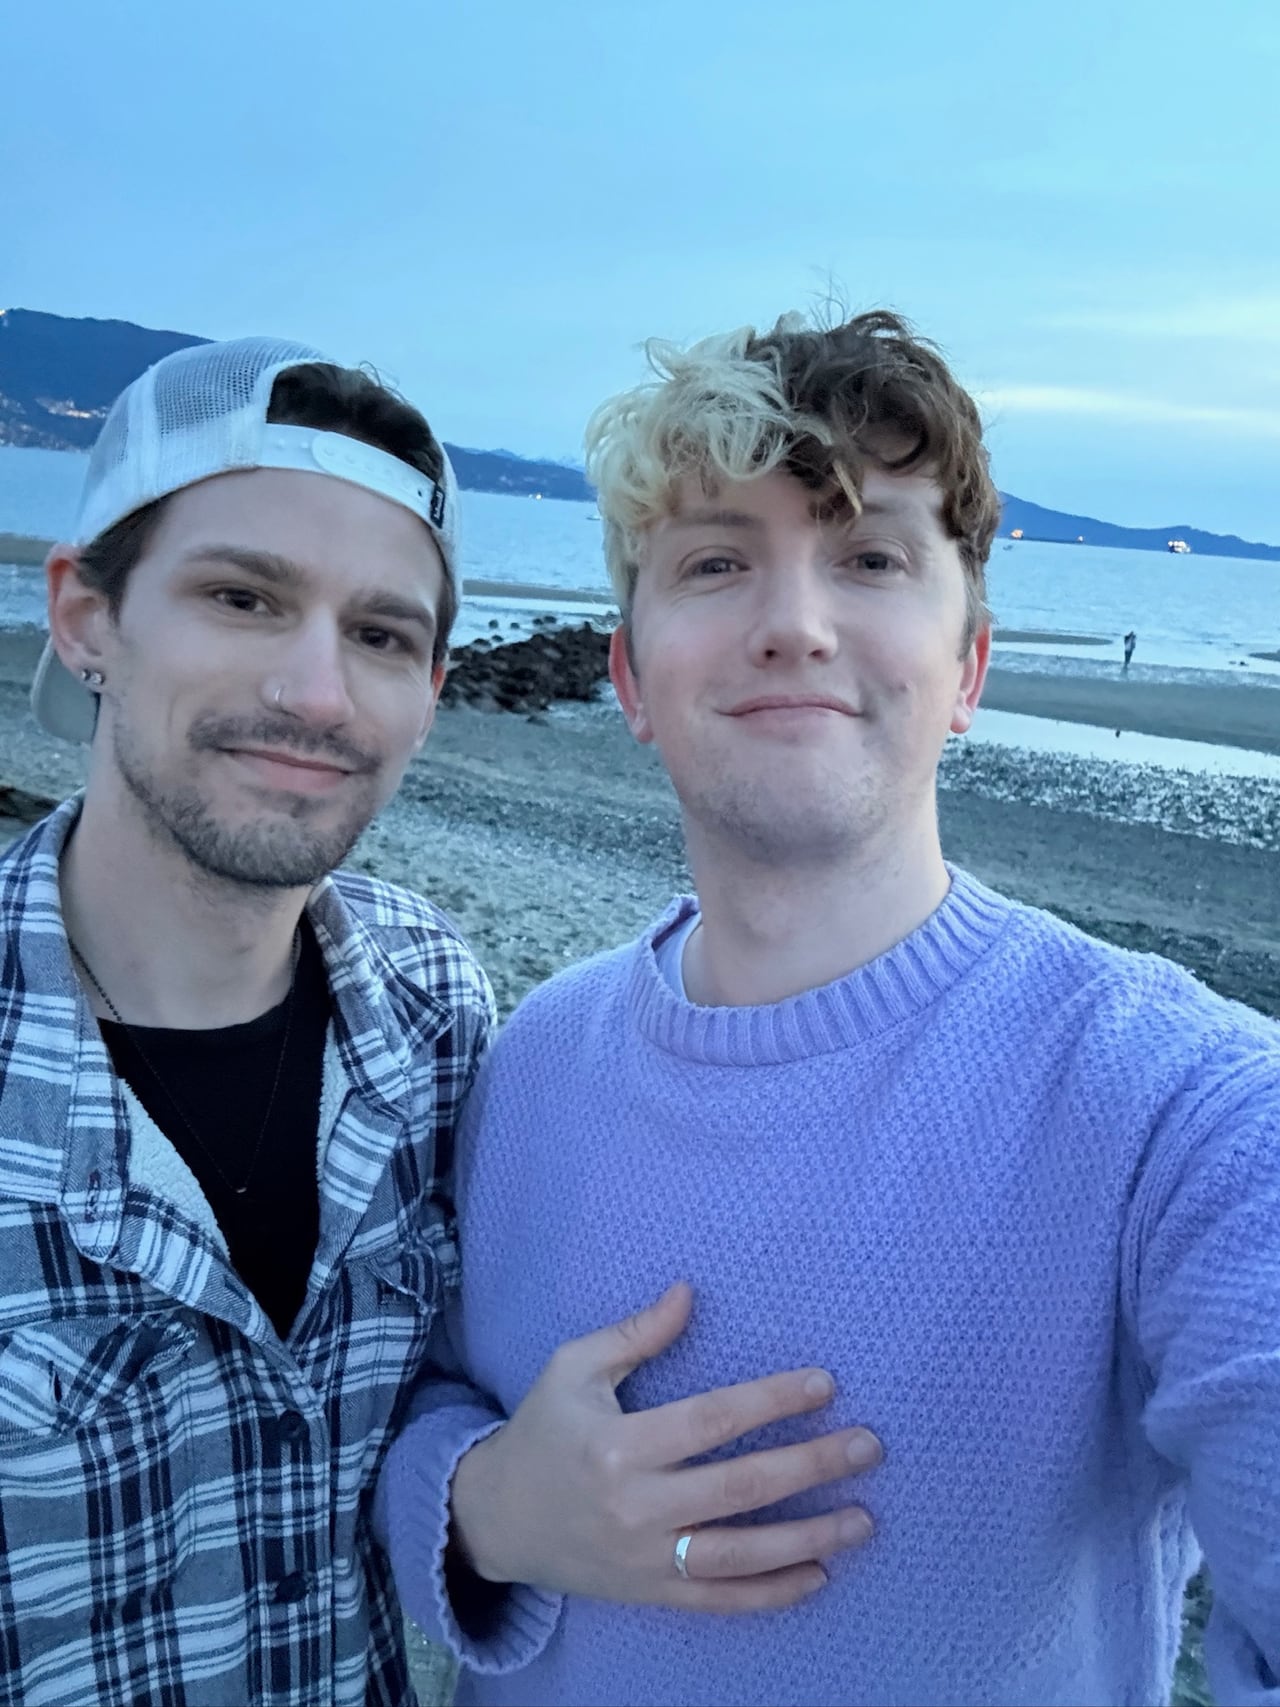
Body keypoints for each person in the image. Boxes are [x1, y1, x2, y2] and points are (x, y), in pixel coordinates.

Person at [378, 310, 1280, 1706]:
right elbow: (414, 1400)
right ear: (630, 678)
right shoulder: (532, 1057)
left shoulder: (1185, 1106)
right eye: (717, 562)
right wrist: (490, 1507)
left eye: (871, 559)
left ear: (968, 668)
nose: (794, 626)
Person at [0, 338, 879, 1707]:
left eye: (381, 636)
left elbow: (455, 1379)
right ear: (85, 617)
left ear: (430, 691)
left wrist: (494, 1499)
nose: (315, 692)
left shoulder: (430, 1009)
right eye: (242, 597)